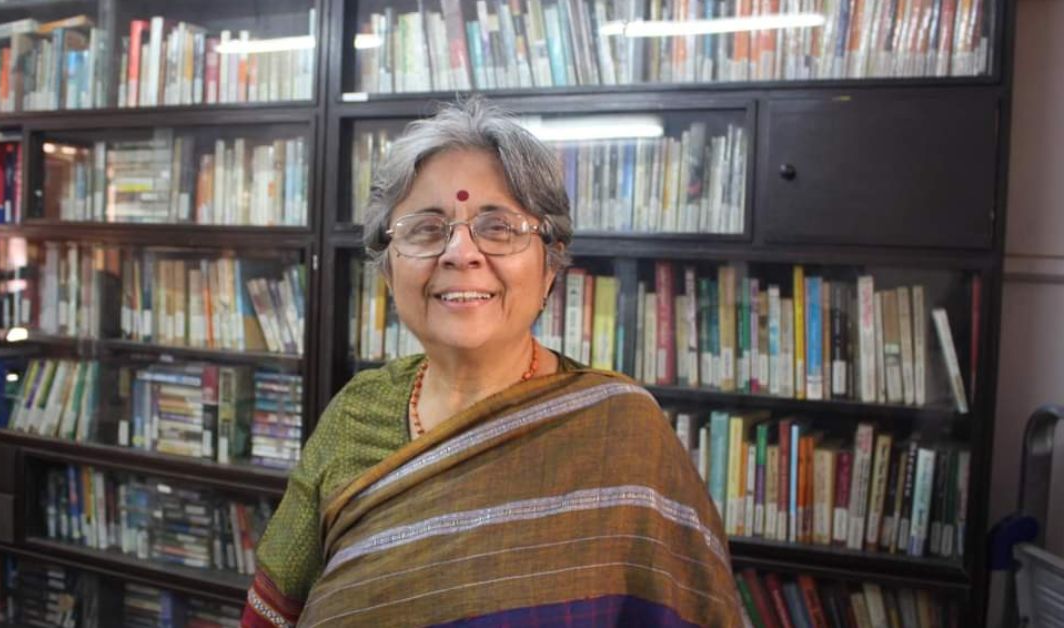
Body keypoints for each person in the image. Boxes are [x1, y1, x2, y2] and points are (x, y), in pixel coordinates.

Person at [242, 99, 741, 627]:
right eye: (427, 229)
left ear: (550, 265)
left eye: (499, 228)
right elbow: (273, 613)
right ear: (388, 269)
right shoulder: (354, 413)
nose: (461, 253)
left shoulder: (623, 434)